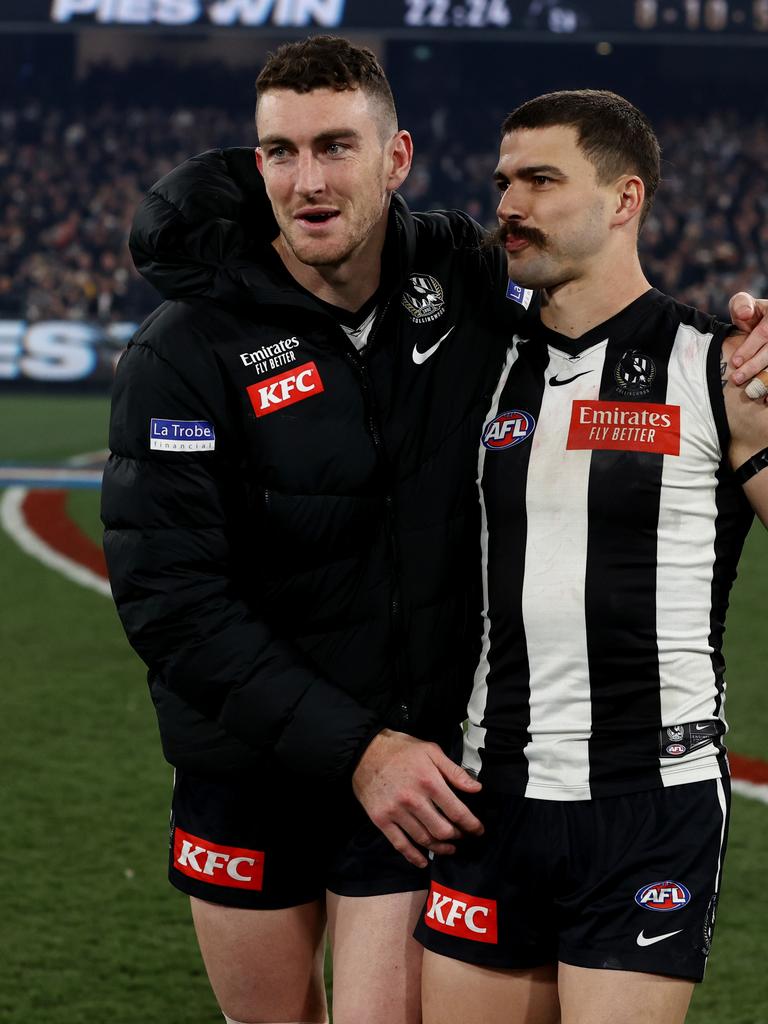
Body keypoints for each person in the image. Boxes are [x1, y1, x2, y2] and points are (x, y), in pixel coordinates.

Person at [102, 37, 768, 1024]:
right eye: (280, 152)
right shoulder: (184, 346)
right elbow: (171, 598)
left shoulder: (459, 285)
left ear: (397, 158)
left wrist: (739, 351)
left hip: (419, 767)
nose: (308, 179)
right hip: (248, 762)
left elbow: (602, 305)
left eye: (336, 146)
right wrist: (354, 746)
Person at [415, 89, 768, 1024]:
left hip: (649, 800)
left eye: (541, 179)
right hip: (489, 790)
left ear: (624, 200)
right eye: (502, 182)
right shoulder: (474, 365)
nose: (510, 205)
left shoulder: (718, 368)